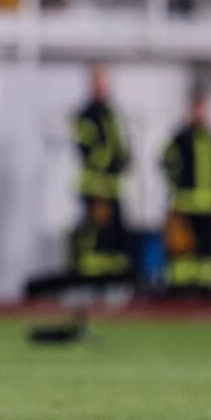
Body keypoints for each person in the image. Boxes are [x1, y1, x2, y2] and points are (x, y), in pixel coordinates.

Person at [70, 65, 131, 280]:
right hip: (95, 188)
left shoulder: (111, 113)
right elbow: (90, 150)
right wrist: (113, 161)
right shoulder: (86, 115)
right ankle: (90, 279)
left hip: (112, 188)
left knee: (114, 237)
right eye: (99, 82)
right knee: (96, 237)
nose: (103, 87)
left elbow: (121, 145)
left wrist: (123, 160)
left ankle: (113, 278)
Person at [160, 92, 211, 291]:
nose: (201, 113)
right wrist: (176, 185)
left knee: (207, 249)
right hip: (186, 203)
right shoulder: (180, 138)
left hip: (208, 205)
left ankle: (206, 287)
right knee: (184, 249)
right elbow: (166, 161)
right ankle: (181, 288)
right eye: (198, 108)